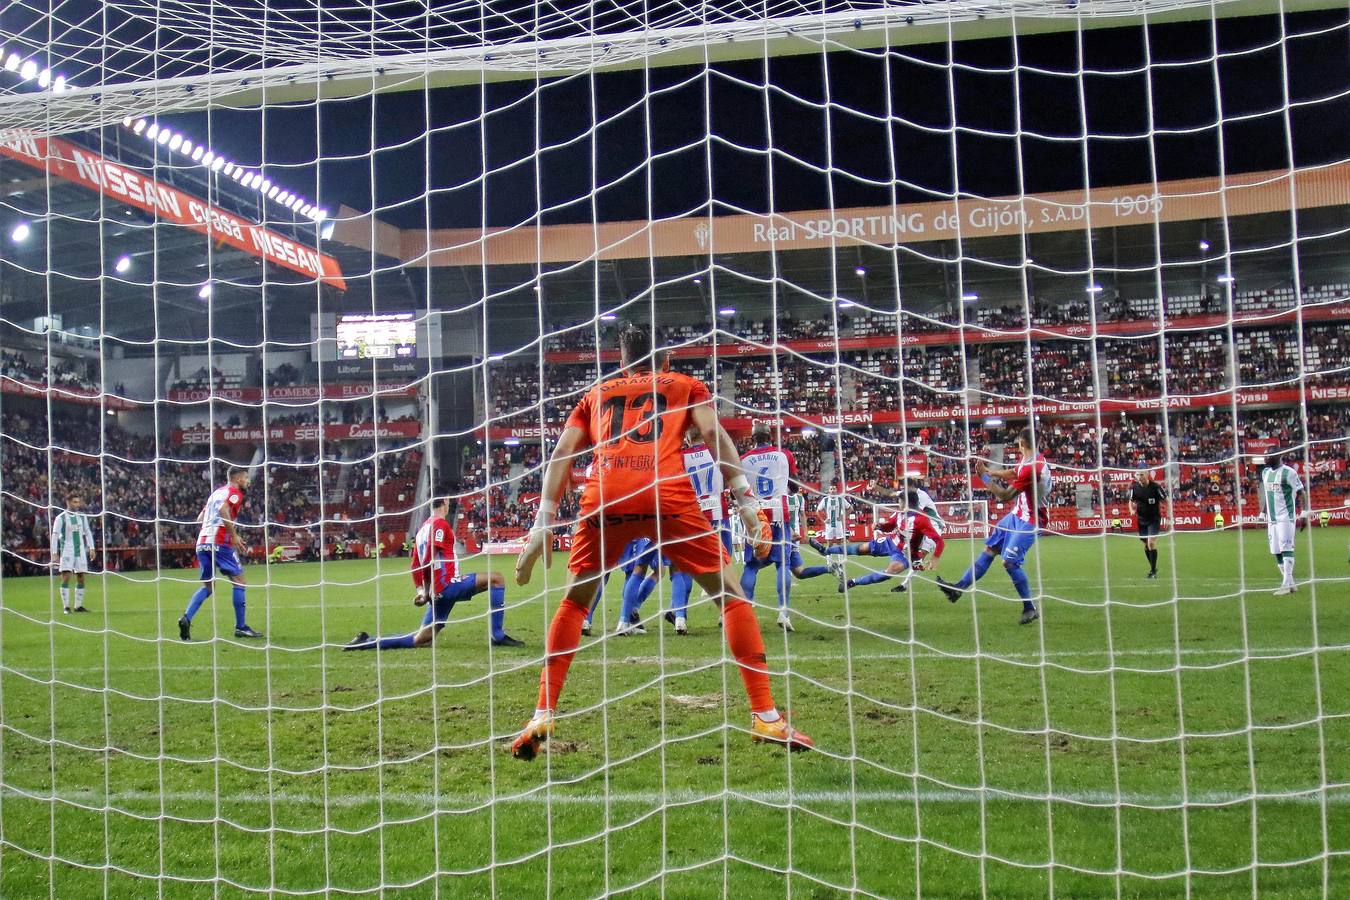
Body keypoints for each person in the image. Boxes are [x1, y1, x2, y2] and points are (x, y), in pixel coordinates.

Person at [510, 324, 812, 760]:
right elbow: (712, 435)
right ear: (665, 361)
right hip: (664, 493)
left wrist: (543, 522)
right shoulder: (684, 384)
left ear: (620, 360)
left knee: (575, 603)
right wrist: (745, 499)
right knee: (731, 597)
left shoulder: (596, 392)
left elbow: (562, 454)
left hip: (604, 497)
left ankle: (542, 712)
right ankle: (765, 716)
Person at [345, 497, 524, 649]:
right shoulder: (440, 524)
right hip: (446, 585)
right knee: (497, 579)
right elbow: (430, 554)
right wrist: (430, 587)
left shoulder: (423, 528)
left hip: (437, 589)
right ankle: (497, 636)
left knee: (421, 640)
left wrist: (422, 592)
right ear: (445, 501)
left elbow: (415, 563)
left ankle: (365, 642)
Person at [937, 428, 1051, 625]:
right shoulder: (1032, 459)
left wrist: (984, 478)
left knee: (1009, 562)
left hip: (1031, 520)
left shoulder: (1032, 467)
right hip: (1017, 514)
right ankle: (958, 589)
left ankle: (1029, 607)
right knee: (990, 549)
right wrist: (991, 470)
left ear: (1021, 444)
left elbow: (1004, 495)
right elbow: (1014, 471)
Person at [740, 422, 828, 633]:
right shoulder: (784, 455)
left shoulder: (743, 460)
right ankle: (783, 612)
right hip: (780, 514)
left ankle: (745, 613)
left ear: (753, 439)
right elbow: (795, 485)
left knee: (751, 566)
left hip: (756, 516)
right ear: (770, 437)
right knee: (783, 564)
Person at [179, 467, 263, 641]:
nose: (248, 481)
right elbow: (224, 510)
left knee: (208, 587)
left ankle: (186, 618)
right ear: (238, 479)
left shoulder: (216, 493)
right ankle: (241, 627)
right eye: (246, 478)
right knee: (240, 581)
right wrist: (233, 535)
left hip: (202, 543)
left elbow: (199, 519)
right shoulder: (235, 493)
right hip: (220, 543)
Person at [811, 491, 944, 591]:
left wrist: (935, 557)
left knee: (890, 571)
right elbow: (890, 526)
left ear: (907, 502)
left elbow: (939, 541)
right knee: (861, 549)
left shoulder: (922, 520)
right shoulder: (900, 513)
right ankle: (825, 550)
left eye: (900, 501)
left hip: (905, 554)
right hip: (890, 543)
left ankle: (852, 582)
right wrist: (880, 526)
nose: (899, 504)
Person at [1259, 451, 1306, 596]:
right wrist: (1263, 512)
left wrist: (1304, 513)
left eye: (1268, 455)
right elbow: (1268, 495)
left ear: (1278, 456)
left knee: (1286, 548)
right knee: (1276, 551)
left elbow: (1301, 493)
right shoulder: (1265, 472)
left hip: (1286, 517)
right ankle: (1291, 584)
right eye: (1264, 455)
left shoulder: (1289, 472)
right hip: (1271, 519)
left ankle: (1285, 585)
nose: (1265, 457)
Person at [51, 494, 96, 614]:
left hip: (80, 551)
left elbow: (87, 532)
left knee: (81, 578)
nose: (77, 504)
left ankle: (78, 606)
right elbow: (54, 536)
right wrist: (54, 553)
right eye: (75, 502)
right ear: (68, 502)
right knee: (66, 577)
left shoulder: (82, 516)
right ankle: (66, 607)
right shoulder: (60, 518)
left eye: (78, 502)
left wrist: (92, 548)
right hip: (67, 550)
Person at [1128, 468, 1168, 579]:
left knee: (1150, 543)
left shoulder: (1156, 487)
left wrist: (1168, 517)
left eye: (1141, 474)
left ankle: (1153, 571)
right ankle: (1153, 569)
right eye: (1137, 474)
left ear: (1147, 474)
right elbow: (1130, 501)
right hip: (1141, 520)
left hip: (1154, 519)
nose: (1139, 476)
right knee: (1146, 545)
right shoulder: (1134, 488)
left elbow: (1167, 501)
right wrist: (1131, 509)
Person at [815, 481, 851, 576]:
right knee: (829, 544)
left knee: (839, 542)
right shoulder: (825, 500)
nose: (832, 490)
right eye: (831, 489)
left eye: (834, 488)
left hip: (838, 524)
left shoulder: (840, 499)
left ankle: (840, 563)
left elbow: (850, 508)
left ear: (836, 490)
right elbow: (818, 511)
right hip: (829, 525)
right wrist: (823, 520)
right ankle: (829, 563)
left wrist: (843, 516)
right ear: (828, 491)